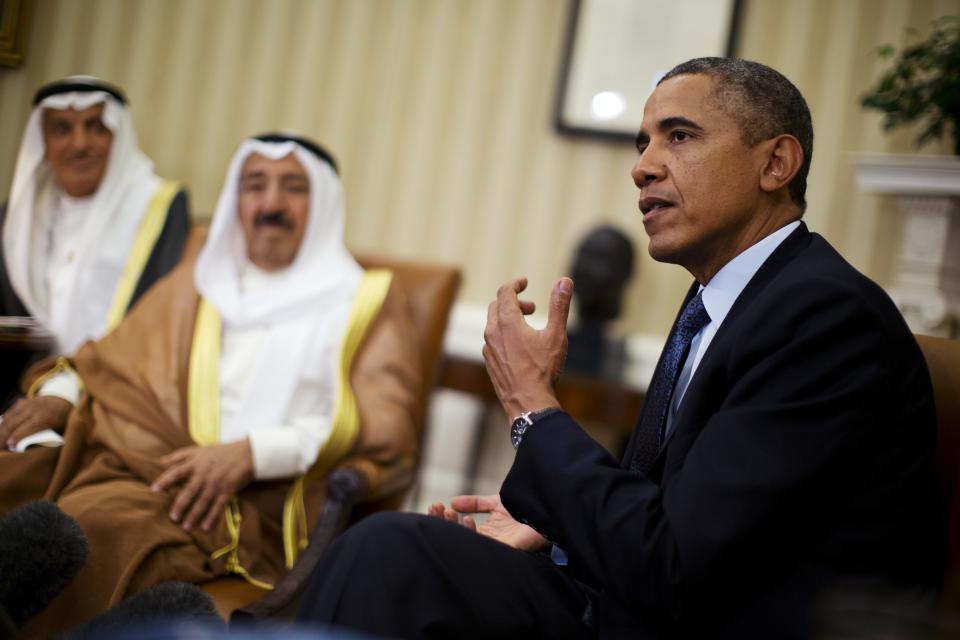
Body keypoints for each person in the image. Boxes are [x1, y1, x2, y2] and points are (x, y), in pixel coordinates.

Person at [295, 58, 941, 639]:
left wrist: (530, 405)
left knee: (385, 556)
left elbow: (677, 566)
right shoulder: (717, 301)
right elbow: (675, 513)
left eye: (679, 137)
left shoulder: (825, 318)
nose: (642, 166)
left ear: (775, 164)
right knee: (396, 552)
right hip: (644, 603)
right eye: (643, 143)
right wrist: (560, 531)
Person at [2, 133, 421, 636]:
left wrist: (254, 453)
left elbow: (387, 430)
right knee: (13, 476)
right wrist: (58, 398)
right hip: (126, 454)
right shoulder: (201, 280)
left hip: (240, 501)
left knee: (100, 526)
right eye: (254, 186)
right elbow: (108, 362)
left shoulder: (365, 300)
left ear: (324, 204)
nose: (270, 204)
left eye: (293, 188)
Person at [0, 76, 191, 355]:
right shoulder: (16, 216)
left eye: (96, 127)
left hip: (111, 383)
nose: (80, 144)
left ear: (118, 136)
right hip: (21, 381)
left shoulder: (159, 207)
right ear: (43, 140)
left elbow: (156, 319)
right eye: (62, 129)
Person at [565, 224, 635, 379]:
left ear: (625, 274)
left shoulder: (614, 356)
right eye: (583, 255)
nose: (585, 268)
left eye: (601, 259)